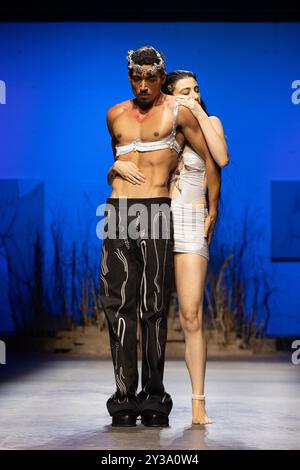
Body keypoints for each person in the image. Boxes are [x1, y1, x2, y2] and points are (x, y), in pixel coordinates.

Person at [101, 45, 222, 428]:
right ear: (129, 76)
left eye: (150, 77)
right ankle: (123, 399)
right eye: (136, 77)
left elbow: (210, 160)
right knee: (117, 306)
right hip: (119, 212)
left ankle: (154, 397)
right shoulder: (115, 114)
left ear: (161, 76)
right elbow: (117, 167)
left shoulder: (177, 111)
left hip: (157, 210)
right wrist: (113, 167)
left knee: (153, 307)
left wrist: (212, 208)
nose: (142, 84)